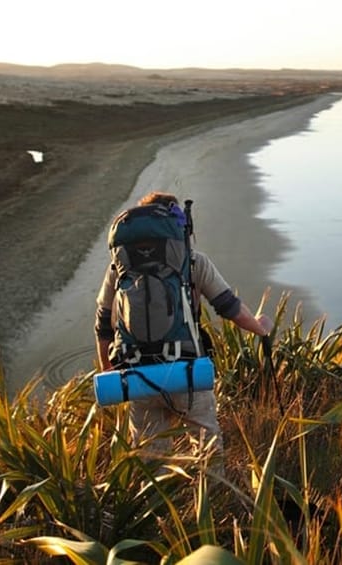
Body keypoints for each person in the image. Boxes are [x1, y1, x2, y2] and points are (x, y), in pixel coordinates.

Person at [94, 191, 273, 459]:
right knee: (206, 449)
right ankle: (211, 496)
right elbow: (230, 308)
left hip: (139, 374)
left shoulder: (119, 268)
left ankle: (160, 497)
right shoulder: (193, 261)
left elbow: (103, 324)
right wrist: (260, 327)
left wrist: (108, 369)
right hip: (187, 371)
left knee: (150, 457)